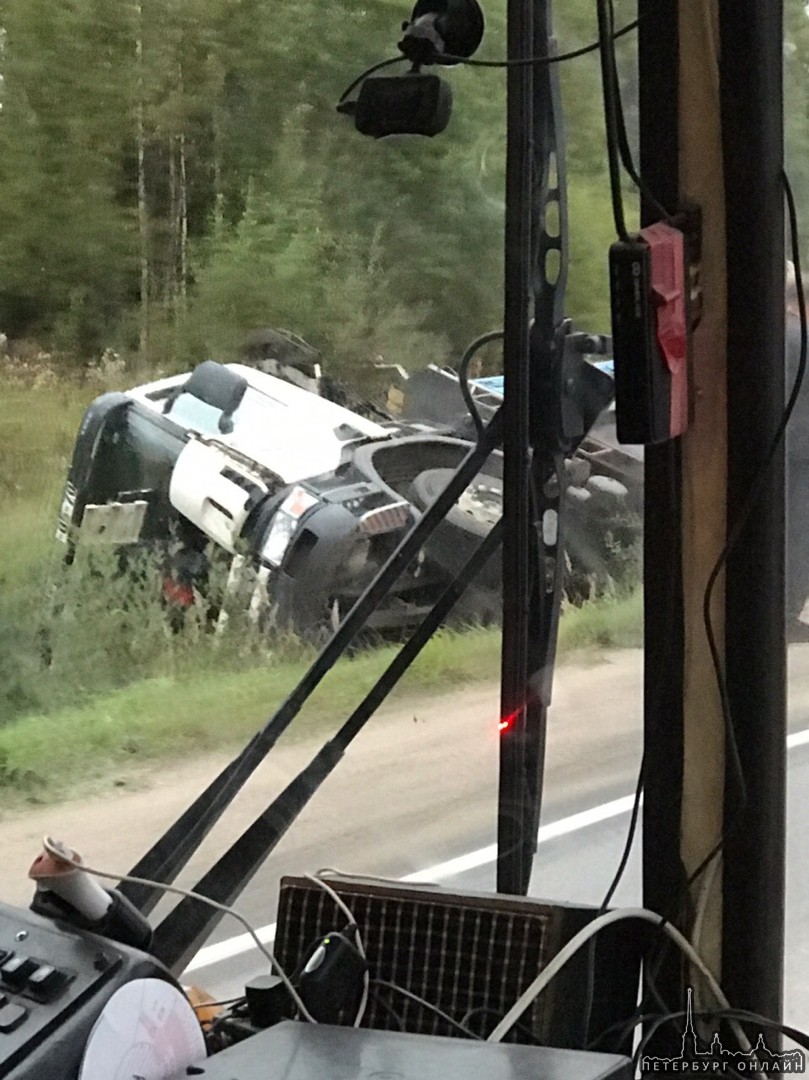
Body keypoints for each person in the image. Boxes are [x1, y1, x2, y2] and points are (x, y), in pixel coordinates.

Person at [785, 263, 809, 641]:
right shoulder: (799, 338)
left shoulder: (770, 337)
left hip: (781, 448)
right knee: (799, 533)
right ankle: (785, 613)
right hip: (802, 450)